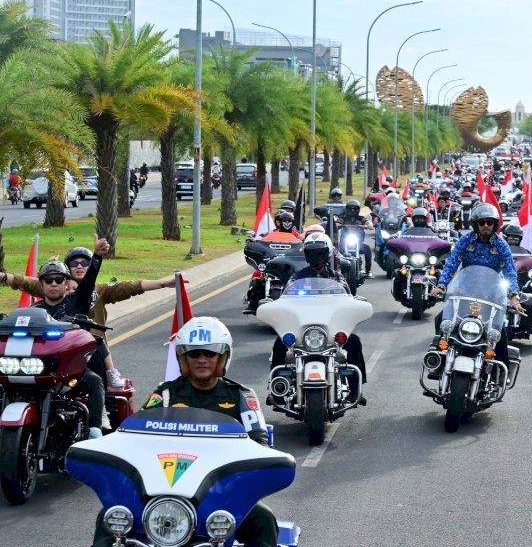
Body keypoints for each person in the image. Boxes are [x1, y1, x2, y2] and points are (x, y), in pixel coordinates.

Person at [98, 317, 281, 547]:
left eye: (209, 353)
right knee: (111, 517)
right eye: (194, 354)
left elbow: (260, 443)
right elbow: (135, 434)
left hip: (223, 490)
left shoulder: (243, 396)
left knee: (263, 520)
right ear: (183, 358)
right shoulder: (165, 395)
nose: (202, 359)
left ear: (222, 357)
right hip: (163, 487)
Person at [4, 245, 177, 388]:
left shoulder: (98, 290)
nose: (79, 266)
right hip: (53, 352)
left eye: (85, 262)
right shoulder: (53, 288)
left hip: (90, 351)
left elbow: (131, 286)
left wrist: (162, 283)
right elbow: (24, 282)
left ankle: (99, 418)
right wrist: (4, 276)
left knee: (96, 379)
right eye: (74, 262)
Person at [13, 236, 110, 439]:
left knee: (94, 382)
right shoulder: (34, 311)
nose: (54, 284)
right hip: (39, 371)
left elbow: (88, 283)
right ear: (41, 285)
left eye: (59, 280)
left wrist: (97, 258)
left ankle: (95, 429)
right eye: (49, 280)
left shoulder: (76, 303)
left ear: (67, 283)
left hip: (68, 373)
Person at [269, 233, 367, 404]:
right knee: (279, 344)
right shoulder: (297, 278)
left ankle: (356, 389)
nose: (317, 257)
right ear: (306, 255)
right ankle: (276, 390)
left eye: (321, 252)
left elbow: (348, 300)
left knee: (354, 342)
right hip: (303, 330)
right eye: (312, 253)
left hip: (329, 330)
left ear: (328, 253)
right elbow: (284, 301)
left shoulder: (337, 278)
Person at [430, 203, 525, 366]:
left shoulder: (501, 245)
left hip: (492, 296)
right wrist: (442, 285)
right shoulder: (465, 241)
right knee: (442, 321)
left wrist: (514, 296)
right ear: (476, 225)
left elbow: (509, 271)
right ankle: (439, 361)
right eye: (482, 223)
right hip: (465, 291)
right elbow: (452, 263)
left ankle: (500, 371)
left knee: (499, 332)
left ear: (495, 224)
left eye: (489, 222)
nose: (486, 226)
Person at [342, 199, 374, 278]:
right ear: (347, 209)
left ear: (358, 210)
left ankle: (368, 270)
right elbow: (337, 222)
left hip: (358, 243)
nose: (352, 210)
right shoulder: (343, 218)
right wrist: (336, 225)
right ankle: (338, 269)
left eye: (354, 209)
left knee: (367, 249)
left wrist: (370, 224)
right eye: (350, 209)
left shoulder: (361, 218)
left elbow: (367, 221)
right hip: (345, 242)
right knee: (336, 250)